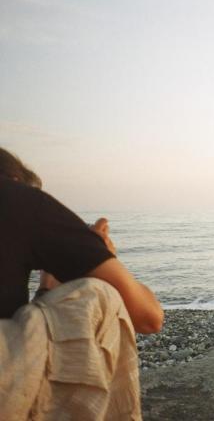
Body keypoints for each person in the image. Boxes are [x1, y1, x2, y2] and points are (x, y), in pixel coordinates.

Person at [0, 147, 164, 419]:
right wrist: (104, 260)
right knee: (101, 296)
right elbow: (149, 317)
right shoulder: (19, 198)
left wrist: (46, 291)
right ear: (15, 181)